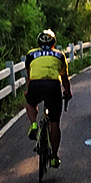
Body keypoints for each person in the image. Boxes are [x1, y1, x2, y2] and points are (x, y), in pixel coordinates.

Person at [25, 29, 72, 168]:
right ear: (53, 43)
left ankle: (33, 123)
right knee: (54, 123)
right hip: (53, 86)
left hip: (36, 84)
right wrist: (68, 92)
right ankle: (54, 157)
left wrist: (28, 91)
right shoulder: (59, 55)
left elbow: (30, 75)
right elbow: (64, 77)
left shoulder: (31, 54)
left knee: (30, 102)